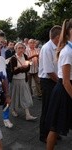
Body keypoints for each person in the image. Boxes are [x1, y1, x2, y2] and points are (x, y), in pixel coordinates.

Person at [46, 19, 72, 150]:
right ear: (69, 31)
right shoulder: (67, 52)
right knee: (55, 127)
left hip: (67, 88)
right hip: (64, 90)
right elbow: (66, 81)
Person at [38, 25, 62, 143]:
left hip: (55, 80)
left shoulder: (57, 47)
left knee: (55, 108)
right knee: (47, 109)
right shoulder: (47, 48)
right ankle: (44, 134)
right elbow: (49, 71)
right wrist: (61, 83)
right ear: (57, 37)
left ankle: (53, 131)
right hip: (48, 81)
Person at [10, 42, 37, 121]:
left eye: (22, 48)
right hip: (15, 80)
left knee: (25, 96)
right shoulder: (13, 58)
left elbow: (28, 68)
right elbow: (13, 71)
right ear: (15, 49)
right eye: (19, 48)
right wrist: (21, 68)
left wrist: (19, 68)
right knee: (15, 96)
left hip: (23, 79)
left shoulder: (25, 56)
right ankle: (13, 110)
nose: (21, 49)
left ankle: (27, 114)